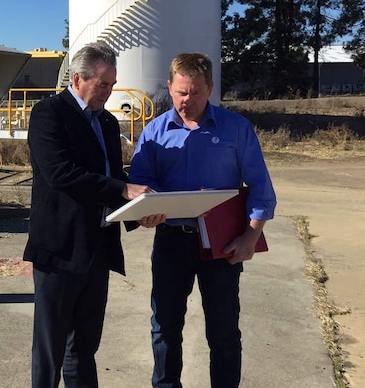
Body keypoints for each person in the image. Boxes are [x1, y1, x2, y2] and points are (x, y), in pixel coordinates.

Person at [128, 52, 277, 388]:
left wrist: (250, 237)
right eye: (181, 92)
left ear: (210, 88)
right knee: (165, 327)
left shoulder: (236, 129)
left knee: (223, 331)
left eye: (196, 93)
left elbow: (261, 187)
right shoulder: (154, 132)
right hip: (171, 241)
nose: (187, 100)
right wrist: (144, 211)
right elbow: (140, 184)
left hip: (223, 243)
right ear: (169, 87)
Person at [23, 41, 155, 388]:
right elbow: (60, 174)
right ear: (79, 79)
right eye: (103, 85)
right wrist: (122, 191)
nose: (109, 93)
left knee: (84, 348)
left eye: (112, 84)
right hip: (60, 250)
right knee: (49, 351)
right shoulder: (49, 113)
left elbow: (115, 178)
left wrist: (139, 210)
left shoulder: (108, 123)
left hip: (97, 248)